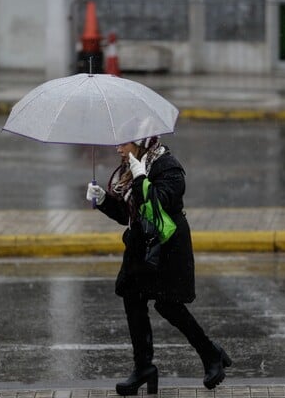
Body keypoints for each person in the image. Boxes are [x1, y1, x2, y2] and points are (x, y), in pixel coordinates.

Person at [86, 136, 231, 394]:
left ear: (142, 143)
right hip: (142, 245)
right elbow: (129, 215)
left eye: (124, 143)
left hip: (168, 246)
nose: (118, 149)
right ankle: (143, 367)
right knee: (133, 296)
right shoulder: (130, 169)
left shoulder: (168, 167)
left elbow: (156, 205)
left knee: (169, 305)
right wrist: (105, 201)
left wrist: (142, 178)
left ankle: (211, 354)